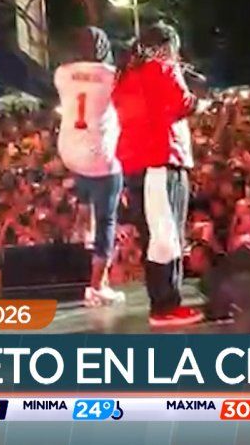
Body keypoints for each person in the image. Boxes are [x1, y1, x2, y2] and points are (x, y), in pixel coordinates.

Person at [113, 22, 203, 328]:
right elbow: (182, 103)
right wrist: (199, 99)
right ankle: (165, 307)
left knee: (155, 234)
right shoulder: (163, 68)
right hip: (162, 160)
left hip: (137, 164)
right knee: (166, 235)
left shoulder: (125, 75)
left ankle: (164, 303)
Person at [54, 26, 125, 307]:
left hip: (70, 152)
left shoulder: (62, 73)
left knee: (86, 187)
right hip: (99, 155)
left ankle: (83, 220)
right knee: (107, 219)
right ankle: (97, 286)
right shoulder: (111, 76)